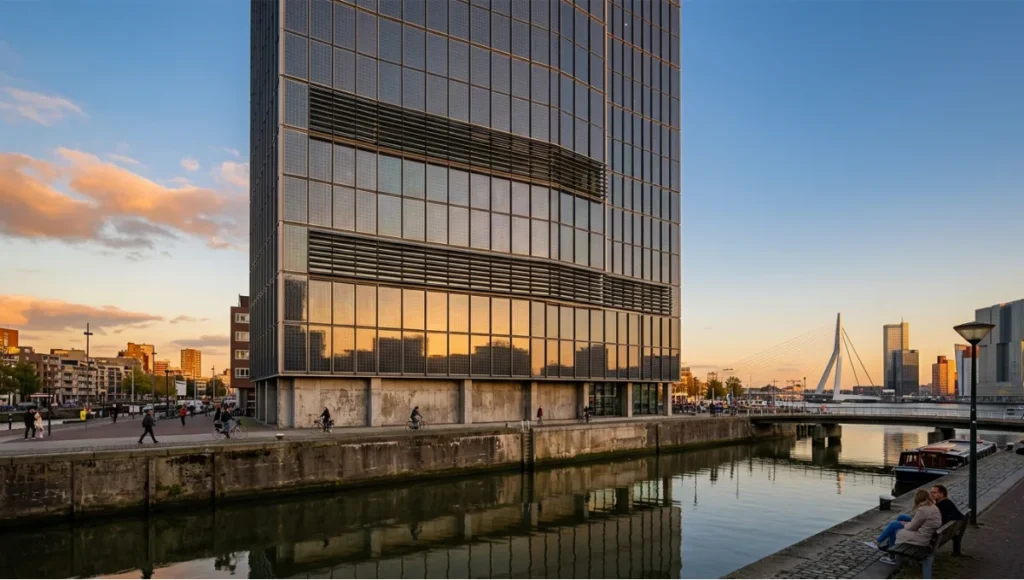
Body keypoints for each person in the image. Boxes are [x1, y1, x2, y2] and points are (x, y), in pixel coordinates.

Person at [865, 489, 941, 564]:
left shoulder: (923, 509)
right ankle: (885, 544)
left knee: (895, 528)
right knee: (900, 520)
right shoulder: (932, 506)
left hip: (921, 537)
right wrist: (906, 523)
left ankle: (890, 555)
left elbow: (912, 527)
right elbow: (919, 523)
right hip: (926, 533)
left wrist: (904, 524)